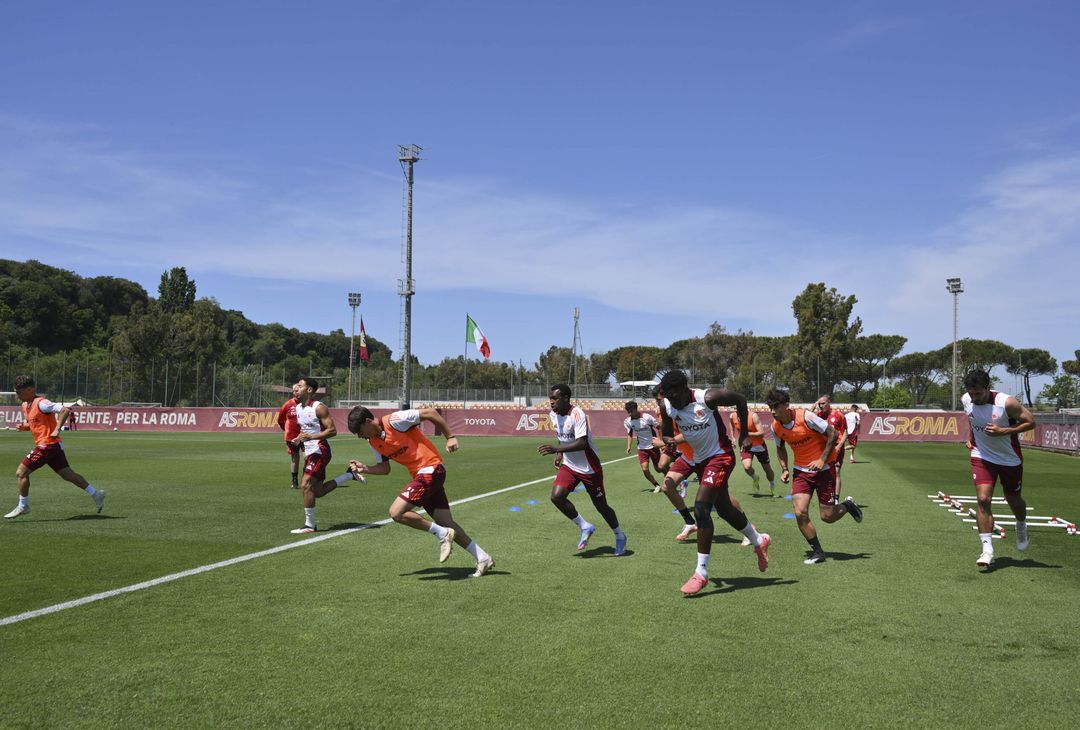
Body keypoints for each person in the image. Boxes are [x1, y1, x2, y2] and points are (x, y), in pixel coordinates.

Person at [655, 370, 770, 595]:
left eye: (674, 395)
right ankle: (759, 540)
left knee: (701, 508)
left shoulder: (706, 398)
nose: (672, 401)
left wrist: (744, 435)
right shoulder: (667, 406)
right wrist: (668, 441)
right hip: (700, 461)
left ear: (684, 389)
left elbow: (740, 400)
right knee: (725, 509)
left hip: (721, 456)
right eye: (668, 396)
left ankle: (701, 572)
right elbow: (668, 432)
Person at [347, 406, 494, 577]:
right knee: (446, 522)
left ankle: (442, 534)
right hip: (423, 476)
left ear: (367, 421)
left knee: (396, 512)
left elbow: (430, 412)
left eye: (359, 431)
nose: (360, 436)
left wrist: (450, 437)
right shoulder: (373, 442)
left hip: (431, 470)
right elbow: (384, 468)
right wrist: (365, 469)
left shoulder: (395, 421)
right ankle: (483, 558)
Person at [766, 388, 862, 565]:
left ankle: (848, 505)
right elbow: (780, 448)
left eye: (776, 407)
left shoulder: (806, 417)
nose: (773, 411)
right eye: (770, 407)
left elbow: (833, 433)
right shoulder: (775, 426)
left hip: (824, 468)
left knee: (827, 516)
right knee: (800, 512)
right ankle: (818, 552)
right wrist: (784, 469)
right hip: (801, 472)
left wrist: (821, 459)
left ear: (786, 405)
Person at [537, 384, 628, 556]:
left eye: (555, 398)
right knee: (556, 497)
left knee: (601, 506)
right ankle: (585, 526)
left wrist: (557, 449)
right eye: (550, 399)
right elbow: (562, 437)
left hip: (589, 468)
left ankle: (619, 535)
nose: (551, 402)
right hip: (569, 465)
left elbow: (582, 443)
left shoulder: (577, 414)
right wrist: (560, 455)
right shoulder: (553, 415)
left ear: (565, 398)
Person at [961, 369, 1036, 568]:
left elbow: (1030, 422)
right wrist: (971, 439)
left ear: (988, 388)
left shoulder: (1006, 402)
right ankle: (987, 550)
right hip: (982, 455)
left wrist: (1004, 431)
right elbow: (972, 419)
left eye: (978, 393)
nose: (974, 397)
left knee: (1013, 498)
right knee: (983, 499)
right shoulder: (966, 399)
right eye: (971, 393)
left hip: (1009, 458)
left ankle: (1021, 524)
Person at [5, 375, 104, 519]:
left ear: (30, 390)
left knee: (21, 473)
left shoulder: (42, 403)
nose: (17, 395)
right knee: (67, 475)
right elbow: (37, 423)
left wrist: (57, 429)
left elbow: (65, 410)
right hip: (53, 446)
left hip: (47, 446)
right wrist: (26, 427)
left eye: (19, 392)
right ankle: (96, 493)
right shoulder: (25, 405)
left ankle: (23, 505)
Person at [289, 377, 357, 534]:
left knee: (306, 484)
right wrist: (298, 438)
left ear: (309, 390)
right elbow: (305, 430)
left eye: (300, 386)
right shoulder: (298, 408)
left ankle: (310, 525)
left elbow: (332, 431)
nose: (296, 388)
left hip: (320, 450)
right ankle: (348, 475)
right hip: (310, 452)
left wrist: (311, 437)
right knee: (317, 491)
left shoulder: (319, 408)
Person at [729, 409, 777, 496]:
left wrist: (746, 434)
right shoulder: (733, 416)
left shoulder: (753, 416)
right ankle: (755, 478)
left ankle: (772, 484)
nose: (736, 410)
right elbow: (731, 424)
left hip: (759, 446)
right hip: (746, 445)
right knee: (747, 467)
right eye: (735, 407)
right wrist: (732, 437)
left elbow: (761, 433)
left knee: (767, 469)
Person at [813, 395, 849, 498]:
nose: (821, 406)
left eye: (823, 403)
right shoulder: (818, 415)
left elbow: (845, 432)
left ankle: (836, 498)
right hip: (823, 448)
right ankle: (825, 495)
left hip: (836, 448)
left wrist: (839, 446)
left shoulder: (838, 415)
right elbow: (806, 417)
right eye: (819, 404)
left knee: (836, 471)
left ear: (829, 403)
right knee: (822, 471)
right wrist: (814, 405)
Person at [624, 401, 663, 491]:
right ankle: (657, 485)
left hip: (653, 446)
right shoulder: (628, 421)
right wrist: (629, 446)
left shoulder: (647, 417)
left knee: (659, 468)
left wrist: (660, 441)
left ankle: (674, 477)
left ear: (636, 408)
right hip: (641, 448)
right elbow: (629, 434)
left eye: (631, 411)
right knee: (645, 469)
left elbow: (659, 427)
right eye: (628, 411)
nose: (629, 413)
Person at [277, 384, 302, 489]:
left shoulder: (308, 404)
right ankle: (294, 481)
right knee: (295, 458)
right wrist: (286, 430)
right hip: (292, 436)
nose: (296, 393)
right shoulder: (288, 404)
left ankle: (308, 479)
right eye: (294, 391)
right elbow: (280, 419)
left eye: (298, 390)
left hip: (306, 435)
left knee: (309, 457)